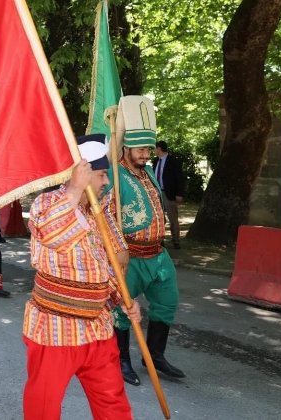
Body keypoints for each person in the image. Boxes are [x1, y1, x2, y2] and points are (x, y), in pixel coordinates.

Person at [23, 134, 139, 420]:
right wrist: (74, 189)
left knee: (113, 403)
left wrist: (122, 299)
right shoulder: (46, 203)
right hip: (56, 330)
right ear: (82, 173)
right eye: (100, 175)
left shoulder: (100, 213)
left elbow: (105, 264)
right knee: (44, 406)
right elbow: (54, 234)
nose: (105, 182)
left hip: (98, 329)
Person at [111, 96, 185, 386]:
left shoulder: (148, 171)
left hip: (158, 256)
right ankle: (121, 360)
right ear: (125, 146)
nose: (146, 154)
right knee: (122, 311)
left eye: (148, 148)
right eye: (140, 148)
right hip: (129, 257)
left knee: (168, 302)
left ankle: (154, 355)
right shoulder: (113, 176)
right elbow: (101, 215)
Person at [154, 141, 186, 250]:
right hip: (157, 193)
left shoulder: (173, 161)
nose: (154, 151)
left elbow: (180, 178)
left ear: (159, 148)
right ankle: (160, 241)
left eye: (155, 148)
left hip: (169, 193)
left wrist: (179, 193)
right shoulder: (155, 161)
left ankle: (176, 241)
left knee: (173, 218)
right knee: (159, 218)